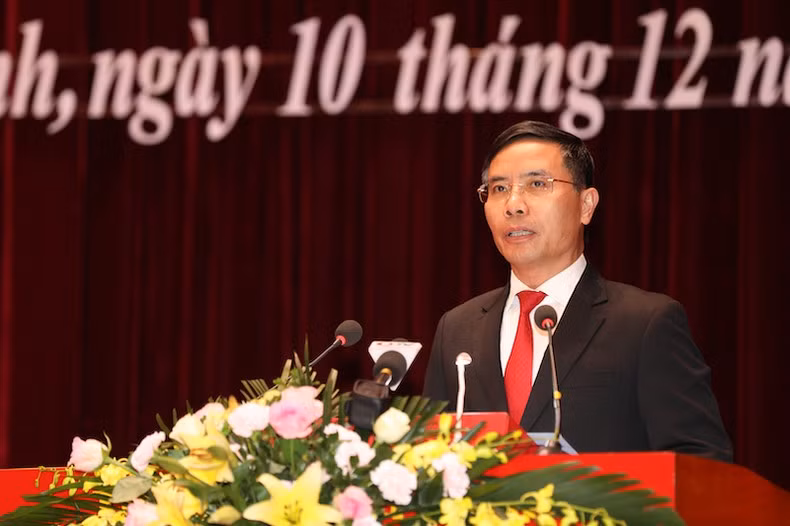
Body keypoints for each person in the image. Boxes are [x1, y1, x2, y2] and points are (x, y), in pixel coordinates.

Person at [423, 121, 733, 461]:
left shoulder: (644, 324)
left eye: (537, 184)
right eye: (498, 189)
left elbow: (701, 461)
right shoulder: (457, 329)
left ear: (586, 205)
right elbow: (428, 459)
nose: (513, 205)